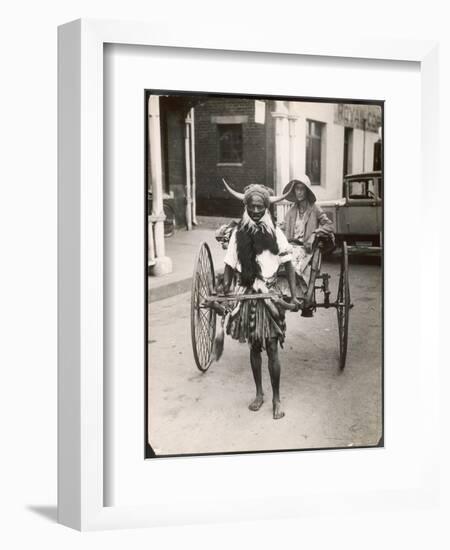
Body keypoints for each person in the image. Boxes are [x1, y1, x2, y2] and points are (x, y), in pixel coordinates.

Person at [221, 179, 301, 420]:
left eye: (260, 207)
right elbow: (228, 264)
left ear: (266, 208)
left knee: (272, 349)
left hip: (270, 295)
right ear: (246, 207)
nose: (255, 211)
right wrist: (225, 289)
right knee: (254, 347)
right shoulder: (238, 235)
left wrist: (295, 295)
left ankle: (276, 399)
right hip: (248, 295)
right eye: (251, 207)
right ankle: (259, 393)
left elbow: (288, 265)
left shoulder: (275, 233)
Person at [281, 175, 334, 316]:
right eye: (296, 189)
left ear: (306, 192)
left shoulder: (315, 209)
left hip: (307, 249)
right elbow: (284, 228)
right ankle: (285, 294)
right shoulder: (291, 212)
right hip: (291, 247)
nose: (299, 192)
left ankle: (303, 297)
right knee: (280, 263)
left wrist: (315, 233)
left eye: (302, 189)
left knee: (294, 265)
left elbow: (329, 225)